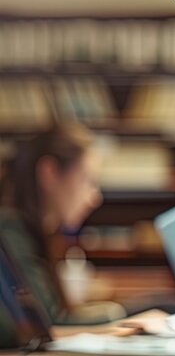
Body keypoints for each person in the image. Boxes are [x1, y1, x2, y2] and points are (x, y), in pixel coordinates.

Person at [0, 122, 126, 326]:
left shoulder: (34, 232)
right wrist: (119, 317)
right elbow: (49, 325)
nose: (96, 197)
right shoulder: (11, 231)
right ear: (49, 172)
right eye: (88, 180)